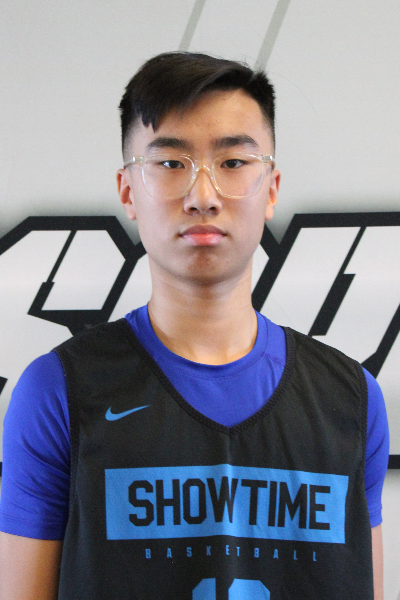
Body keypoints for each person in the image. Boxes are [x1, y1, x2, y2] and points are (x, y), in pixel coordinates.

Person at [0, 52, 389, 599]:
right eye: (170, 164)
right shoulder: (58, 392)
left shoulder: (352, 400)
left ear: (272, 188)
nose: (203, 196)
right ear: (128, 191)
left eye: (233, 163)